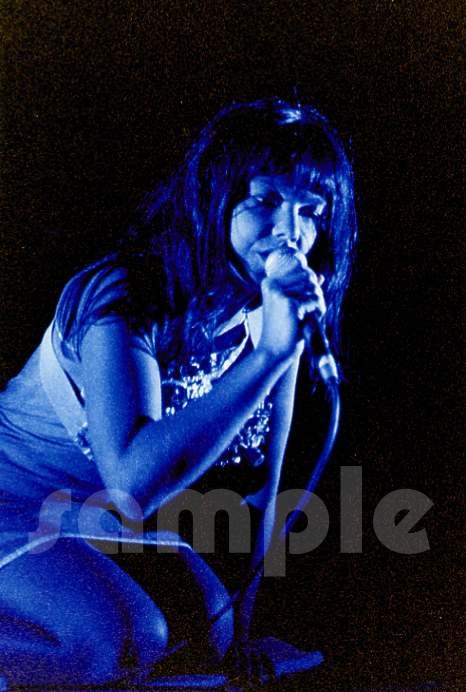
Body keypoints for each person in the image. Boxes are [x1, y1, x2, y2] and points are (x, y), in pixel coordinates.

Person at [0, 98, 357, 687]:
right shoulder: (123, 296)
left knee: (211, 631)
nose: (290, 233)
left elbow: (263, 492)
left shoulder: (267, 323)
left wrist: (243, 631)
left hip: (80, 518)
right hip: (13, 500)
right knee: (115, 641)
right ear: (214, 198)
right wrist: (270, 356)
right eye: (266, 201)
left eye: (310, 212)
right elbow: (132, 484)